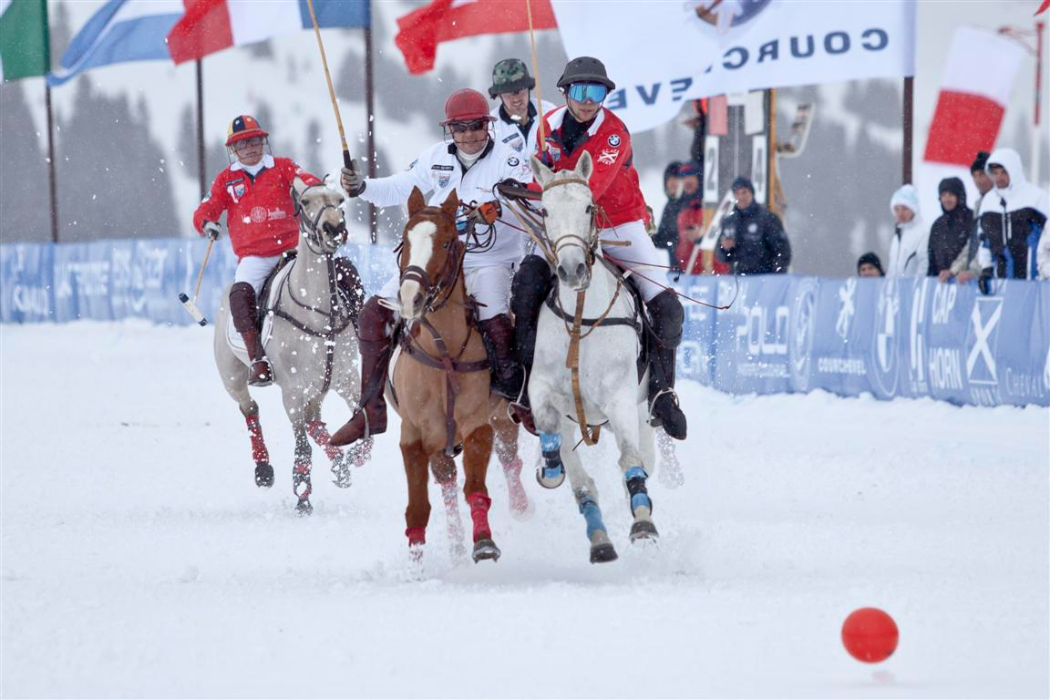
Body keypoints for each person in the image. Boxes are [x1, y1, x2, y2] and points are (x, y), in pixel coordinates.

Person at [331, 88, 532, 447]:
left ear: (488, 125)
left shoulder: (509, 159)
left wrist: (499, 206)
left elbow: (529, 196)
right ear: (449, 131)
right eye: (460, 128)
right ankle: (371, 409)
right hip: (438, 258)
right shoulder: (436, 158)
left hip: (492, 259)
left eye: (475, 126)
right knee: (372, 315)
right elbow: (400, 188)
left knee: (496, 322)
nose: (468, 135)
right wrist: (363, 187)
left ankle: (515, 398)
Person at [512, 56, 688, 440]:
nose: (589, 100)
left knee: (668, 308)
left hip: (617, 225)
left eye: (597, 92)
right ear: (565, 92)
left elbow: (588, 185)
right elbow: (533, 173)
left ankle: (661, 392)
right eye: (580, 91)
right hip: (566, 228)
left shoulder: (614, 133)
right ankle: (524, 382)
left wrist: (543, 180)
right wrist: (523, 181)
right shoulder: (546, 127)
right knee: (526, 285)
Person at [193, 114, 362, 387]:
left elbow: (305, 181)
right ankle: (258, 359)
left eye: (255, 140)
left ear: (263, 141)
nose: (250, 147)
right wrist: (207, 223)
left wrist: (320, 186)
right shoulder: (226, 180)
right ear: (233, 149)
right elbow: (207, 208)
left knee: (344, 270)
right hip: (254, 257)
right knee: (240, 293)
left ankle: (360, 328)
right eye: (242, 143)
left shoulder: (282, 167)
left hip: (293, 249)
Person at [975, 147, 1048, 286]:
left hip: (1036, 284)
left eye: (1003, 172)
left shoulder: (1037, 198)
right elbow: (984, 242)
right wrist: (986, 269)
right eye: (995, 173)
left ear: (1014, 171)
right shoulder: (989, 202)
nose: (999, 177)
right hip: (1002, 286)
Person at [715, 176, 791, 275]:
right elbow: (721, 256)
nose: (741, 197)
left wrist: (775, 277)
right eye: (737, 193)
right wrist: (724, 248)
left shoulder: (768, 218)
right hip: (739, 281)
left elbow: (783, 251)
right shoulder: (729, 221)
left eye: (744, 192)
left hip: (763, 280)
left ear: (752, 193)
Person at [488, 58, 556, 158]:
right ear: (498, 95)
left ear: (529, 88)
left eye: (520, 91)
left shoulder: (551, 113)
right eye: (508, 93)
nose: (516, 99)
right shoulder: (490, 126)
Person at [944, 151, 994, 284]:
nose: (978, 180)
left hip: (990, 278)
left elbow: (991, 244)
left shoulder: (998, 203)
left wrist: (975, 271)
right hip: (976, 277)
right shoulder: (979, 204)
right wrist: (953, 270)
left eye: (982, 175)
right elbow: (973, 243)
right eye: (975, 176)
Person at [927, 177, 972, 277]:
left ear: (959, 197)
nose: (947, 199)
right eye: (943, 195)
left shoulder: (972, 220)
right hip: (942, 286)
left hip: (966, 283)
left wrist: (953, 271)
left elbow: (973, 253)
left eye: (951, 195)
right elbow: (932, 262)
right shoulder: (937, 225)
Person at [885, 184, 929, 278]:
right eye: (897, 209)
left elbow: (924, 264)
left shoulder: (923, 232)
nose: (900, 213)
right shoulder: (898, 234)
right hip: (896, 290)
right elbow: (893, 266)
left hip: (912, 290)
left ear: (914, 209)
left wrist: (915, 287)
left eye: (905, 209)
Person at [652, 161, 684, 269]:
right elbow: (663, 238)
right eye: (669, 181)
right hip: (676, 271)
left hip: (693, 273)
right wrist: (651, 237)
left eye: (676, 181)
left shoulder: (690, 205)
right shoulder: (669, 207)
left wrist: (673, 241)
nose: (672, 184)